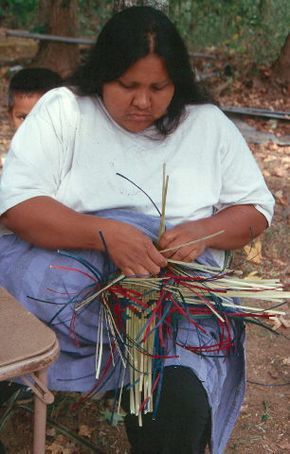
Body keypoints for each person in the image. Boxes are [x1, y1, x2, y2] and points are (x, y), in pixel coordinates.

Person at [0, 6, 274, 453]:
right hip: (69, 277)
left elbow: (255, 209)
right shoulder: (65, 110)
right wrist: (104, 234)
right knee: (14, 326)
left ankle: (154, 397)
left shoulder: (205, 125)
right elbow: (18, 205)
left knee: (176, 401)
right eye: (127, 86)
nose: (142, 102)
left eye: (157, 87)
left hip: (171, 299)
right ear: (102, 75)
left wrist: (204, 230)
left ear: (177, 84)